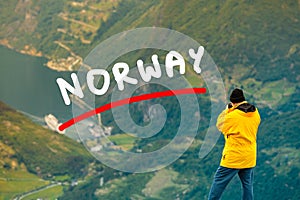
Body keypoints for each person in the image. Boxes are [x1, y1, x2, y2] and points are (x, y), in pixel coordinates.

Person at [208, 88, 261, 200]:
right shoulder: (255, 113)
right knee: (248, 186)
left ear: (233, 102)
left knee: (218, 182)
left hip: (233, 157)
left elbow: (220, 125)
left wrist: (227, 110)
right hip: (249, 156)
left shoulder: (232, 116)